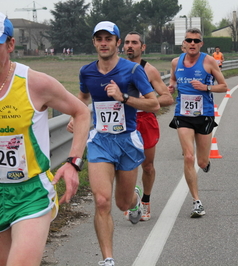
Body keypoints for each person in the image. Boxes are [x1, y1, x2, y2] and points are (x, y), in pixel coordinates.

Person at [0, 13, 91, 266]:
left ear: (10, 45)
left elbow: (81, 112)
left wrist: (74, 163)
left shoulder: (34, 83)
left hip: (29, 193)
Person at [69, 21, 160, 266]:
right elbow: (83, 96)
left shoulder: (132, 71)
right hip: (100, 141)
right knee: (101, 201)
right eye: (99, 39)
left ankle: (135, 200)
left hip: (127, 141)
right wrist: (75, 116)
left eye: (108, 38)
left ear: (117, 43)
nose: (104, 43)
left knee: (122, 202)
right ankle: (108, 259)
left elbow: (154, 104)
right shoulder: (86, 71)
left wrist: (124, 97)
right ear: (94, 43)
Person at [168, 28, 228, 218]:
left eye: (196, 40)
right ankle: (196, 202)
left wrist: (206, 87)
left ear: (201, 43)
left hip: (204, 114)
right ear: (184, 43)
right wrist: (171, 87)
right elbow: (173, 80)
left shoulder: (208, 61)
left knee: (201, 162)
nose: (192, 43)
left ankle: (206, 161)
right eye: (189, 40)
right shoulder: (176, 62)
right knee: (188, 157)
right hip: (183, 114)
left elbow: (224, 86)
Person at [123, 31, 173, 221]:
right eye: (127, 42)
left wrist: (145, 100)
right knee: (126, 166)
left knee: (148, 166)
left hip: (145, 121)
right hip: (125, 122)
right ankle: (131, 197)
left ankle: (145, 200)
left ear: (142, 47)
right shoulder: (117, 68)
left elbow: (167, 97)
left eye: (134, 42)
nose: (130, 46)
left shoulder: (149, 70)